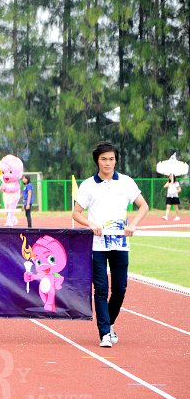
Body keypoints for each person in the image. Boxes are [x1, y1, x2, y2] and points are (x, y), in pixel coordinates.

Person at [72, 142, 148, 348]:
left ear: (116, 160)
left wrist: (133, 223)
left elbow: (144, 206)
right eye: (104, 159)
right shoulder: (88, 185)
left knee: (120, 289)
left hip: (120, 243)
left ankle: (110, 323)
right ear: (97, 161)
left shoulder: (126, 182)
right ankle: (105, 333)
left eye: (111, 159)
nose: (108, 163)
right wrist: (90, 224)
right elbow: (76, 213)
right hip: (97, 243)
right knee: (101, 289)